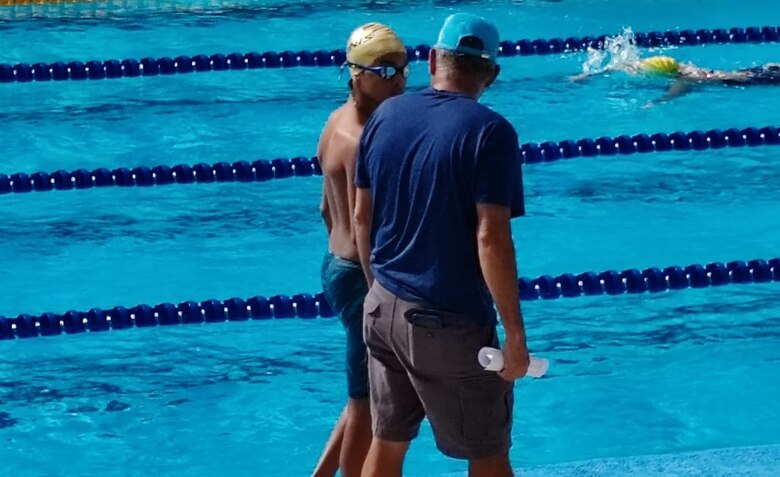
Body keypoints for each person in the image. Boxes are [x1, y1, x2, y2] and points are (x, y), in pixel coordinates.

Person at [353, 13, 531, 477]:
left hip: (383, 305)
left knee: (388, 441)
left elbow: (360, 216)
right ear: (491, 74)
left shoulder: (386, 114)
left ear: (433, 59)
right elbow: (491, 236)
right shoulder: (491, 133)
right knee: (487, 452)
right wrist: (514, 336)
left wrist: (379, 292)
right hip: (447, 322)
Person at [312, 22, 409, 477]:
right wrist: (377, 294)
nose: (401, 79)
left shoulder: (335, 122)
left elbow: (323, 210)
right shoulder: (365, 139)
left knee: (362, 391)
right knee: (368, 403)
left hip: (336, 265)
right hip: (359, 277)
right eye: (387, 71)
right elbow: (365, 226)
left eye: (404, 68)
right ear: (357, 74)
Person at [570, 54, 780, 103]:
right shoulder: (675, 66)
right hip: (750, 71)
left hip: (746, 80)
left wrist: (658, 101)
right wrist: (588, 75)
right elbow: (623, 64)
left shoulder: (687, 77)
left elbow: (675, 92)